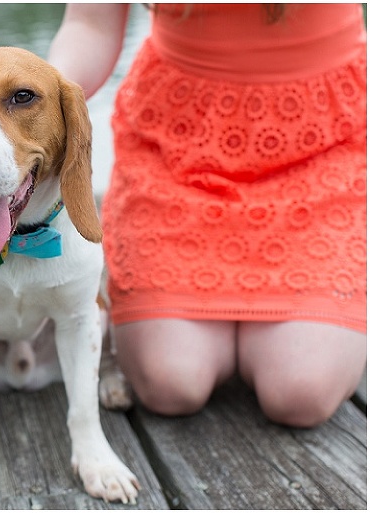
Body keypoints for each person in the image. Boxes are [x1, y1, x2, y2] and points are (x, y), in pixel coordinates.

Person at [48, 4, 366, 428]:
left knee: (299, 392)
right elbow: (90, 24)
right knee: (171, 384)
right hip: (177, 143)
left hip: (321, 140)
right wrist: (39, 101)